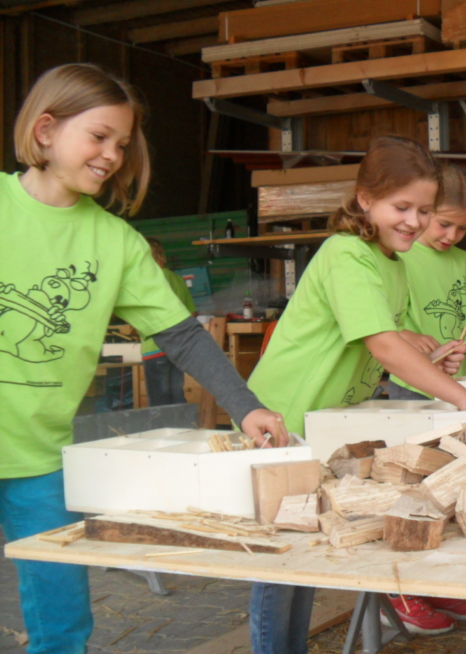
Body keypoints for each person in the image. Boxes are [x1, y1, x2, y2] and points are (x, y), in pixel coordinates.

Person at [0, 63, 286, 654]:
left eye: (122, 144)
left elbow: (182, 336)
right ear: (45, 130)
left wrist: (245, 406)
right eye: (99, 136)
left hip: (38, 457)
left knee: (61, 621)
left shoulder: (117, 243)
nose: (112, 155)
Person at [247, 136, 466, 652]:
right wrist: (464, 400)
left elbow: (380, 344)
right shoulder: (347, 255)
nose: (414, 221)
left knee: (304, 551)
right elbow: (383, 345)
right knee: (282, 558)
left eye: (424, 210)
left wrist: (430, 361)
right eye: (401, 207)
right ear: (365, 199)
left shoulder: (392, 262)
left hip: (324, 422)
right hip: (282, 417)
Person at [387, 164, 466, 400]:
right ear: (425, 211)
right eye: (444, 224)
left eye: (463, 228)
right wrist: (407, 336)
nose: (452, 236)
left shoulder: (463, 260)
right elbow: (378, 319)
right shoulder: (399, 256)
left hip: (457, 379)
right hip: (412, 381)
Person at [140, 237, 196, 406]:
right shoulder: (177, 279)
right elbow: (192, 313)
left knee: (159, 402)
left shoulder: (149, 280)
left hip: (155, 347)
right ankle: (183, 424)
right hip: (177, 349)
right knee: (177, 397)